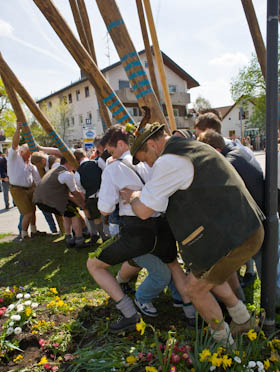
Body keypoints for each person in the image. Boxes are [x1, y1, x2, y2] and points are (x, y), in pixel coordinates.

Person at [120, 122, 264, 346]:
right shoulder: (190, 147)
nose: (148, 164)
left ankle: (225, 344)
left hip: (232, 237)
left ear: (152, 144)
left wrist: (133, 195)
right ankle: (243, 320)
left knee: (193, 289)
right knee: (208, 277)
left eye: (145, 157)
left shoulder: (168, 161)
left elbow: (144, 210)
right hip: (240, 229)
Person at [86, 125, 195, 333]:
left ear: (119, 144)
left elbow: (105, 209)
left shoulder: (113, 168)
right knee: (174, 265)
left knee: (94, 264)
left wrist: (118, 194)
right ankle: (191, 315)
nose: (109, 155)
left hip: (137, 230)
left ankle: (129, 314)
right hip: (162, 226)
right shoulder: (152, 162)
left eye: (110, 150)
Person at [198, 129, 265, 295]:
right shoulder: (238, 152)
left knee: (271, 275)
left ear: (216, 151)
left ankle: (273, 311)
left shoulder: (228, 164)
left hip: (256, 224)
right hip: (260, 217)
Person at [33, 156, 89, 249]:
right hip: (50, 201)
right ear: (68, 162)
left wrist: (78, 203)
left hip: (40, 201)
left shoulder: (54, 170)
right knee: (74, 214)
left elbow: (67, 195)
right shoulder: (66, 174)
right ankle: (79, 240)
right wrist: (83, 204)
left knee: (67, 213)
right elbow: (75, 193)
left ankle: (68, 238)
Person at [8, 122, 45, 240]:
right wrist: (18, 129)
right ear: (22, 152)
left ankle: (34, 231)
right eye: (28, 155)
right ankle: (24, 234)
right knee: (27, 213)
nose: (29, 157)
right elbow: (14, 144)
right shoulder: (14, 157)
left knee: (33, 210)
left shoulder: (29, 163)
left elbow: (37, 178)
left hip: (29, 188)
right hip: (18, 189)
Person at [73, 148, 107, 243]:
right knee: (107, 215)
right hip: (104, 194)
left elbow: (81, 188)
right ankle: (108, 235)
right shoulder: (97, 163)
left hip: (91, 197)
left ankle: (102, 236)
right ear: (86, 155)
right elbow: (106, 174)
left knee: (96, 218)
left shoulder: (77, 173)